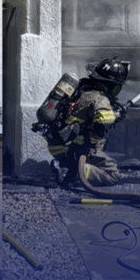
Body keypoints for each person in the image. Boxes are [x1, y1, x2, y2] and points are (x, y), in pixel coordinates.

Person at [48, 57, 127, 187]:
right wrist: (112, 117)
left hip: (58, 145)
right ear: (110, 85)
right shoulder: (100, 99)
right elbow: (100, 129)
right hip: (76, 150)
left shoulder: (81, 89)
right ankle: (71, 171)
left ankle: (65, 165)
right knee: (112, 174)